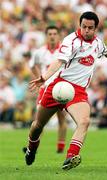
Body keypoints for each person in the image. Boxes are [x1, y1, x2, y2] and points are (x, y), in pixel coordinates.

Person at [24, 11, 107, 170]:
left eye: (90, 28)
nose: (86, 30)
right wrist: (44, 77)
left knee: (84, 121)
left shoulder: (97, 44)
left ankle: (71, 156)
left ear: (95, 28)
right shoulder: (71, 41)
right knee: (37, 125)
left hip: (77, 92)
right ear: (80, 25)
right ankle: (31, 149)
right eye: (84, 26)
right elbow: (58, 61)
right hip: (58, 86)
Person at [28, 25, 67, 153]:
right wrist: (40, 78)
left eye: (54, 34)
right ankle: (34, 146)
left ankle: (60, 148)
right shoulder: (40, 52)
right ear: (46, 36)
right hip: (45, 88)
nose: (52, 36)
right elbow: (32, 65)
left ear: (59, 35)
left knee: (61, 117)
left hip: (60, 87)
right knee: (39, 119)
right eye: (49, 34)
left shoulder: (64, 50)